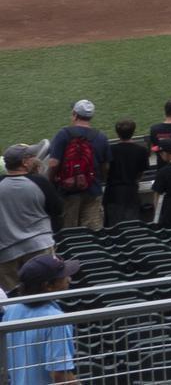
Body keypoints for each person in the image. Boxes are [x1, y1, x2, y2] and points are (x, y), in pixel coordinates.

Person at [2, 254, 79, 381]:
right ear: (48, 285)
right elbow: (60, 375)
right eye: (63, 276)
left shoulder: (12, 309)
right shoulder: (56, 320)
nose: (69, 279)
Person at [45, 100, 108, 231]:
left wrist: (49, 182)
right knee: (93, 231)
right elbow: (106, 166)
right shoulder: (101, 137)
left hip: (68, 191)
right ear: (91, 116)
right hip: (93, 189)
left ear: (74, 114)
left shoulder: (63, 134)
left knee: (70, 231)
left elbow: (53, 163)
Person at [0, 146, 54, 294]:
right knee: (45, 291)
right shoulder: (39, 182)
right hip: (38, 246)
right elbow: (56, 210)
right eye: (31, 157)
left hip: (5, 252)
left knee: (13, 298)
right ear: (25, 162)